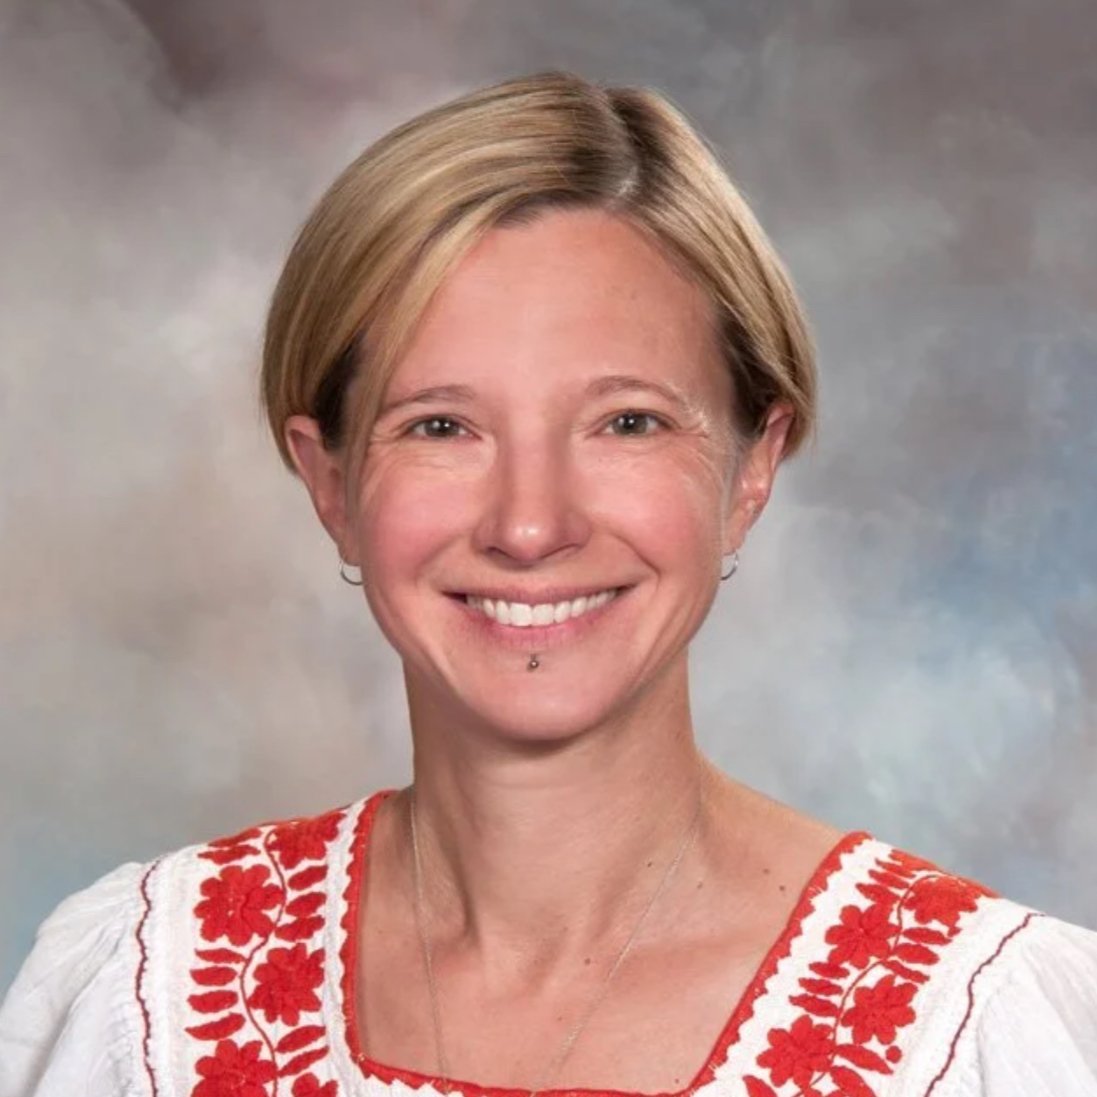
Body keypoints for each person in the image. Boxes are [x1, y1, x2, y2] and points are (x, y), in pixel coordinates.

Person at [2, 70, 1095, 1097]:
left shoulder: (972, 1030)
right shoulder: (144, 997)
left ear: (751, 464)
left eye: (626, 421)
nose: (530, 524)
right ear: (328, 477)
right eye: (440, 425)